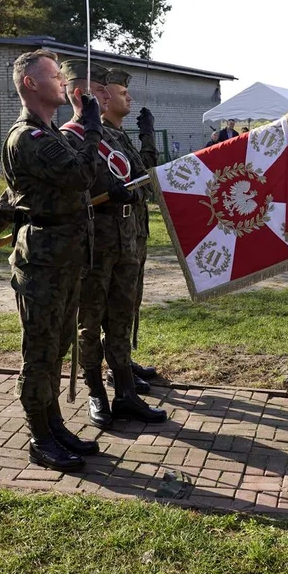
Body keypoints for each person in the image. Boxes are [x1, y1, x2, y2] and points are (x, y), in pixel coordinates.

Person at [0, 49, 103, 472]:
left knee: (59, 346)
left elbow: (16, 193)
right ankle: (38, 437)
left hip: (65, 259)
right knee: (41, 352)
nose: (63, 81)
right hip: (43, 262)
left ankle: (54, 424)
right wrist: (91, 126)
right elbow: (81, 176)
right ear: (30, 84)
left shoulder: (50, 133)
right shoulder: (28, 137)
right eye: (53, 74)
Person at [58, 60, 166, 429]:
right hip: (92, 250)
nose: (106, 97)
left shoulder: (115, 138)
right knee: (90, 325)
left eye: (108, 91)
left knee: (120, 320)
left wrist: (131, 188)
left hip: (126, 244)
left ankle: (125, 394)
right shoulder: (70, 138)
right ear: (80, 94)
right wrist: (102, 194)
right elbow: (67, 195)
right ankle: (95, 394)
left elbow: (142, 179)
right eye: (99, 91)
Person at [104, 68, 164, 384]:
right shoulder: (99, 136)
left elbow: (145, 176)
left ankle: (123, 358)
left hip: (134, 233)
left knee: (131, 300)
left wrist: (147, 136)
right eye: (122, 92)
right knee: (115, 306)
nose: (129, 97)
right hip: (112, 236)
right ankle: (116, 367)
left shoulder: (120, 135)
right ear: (102, 97)